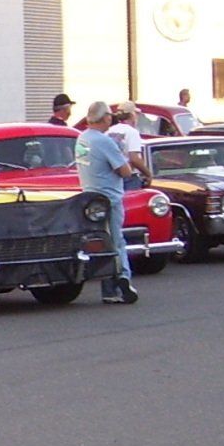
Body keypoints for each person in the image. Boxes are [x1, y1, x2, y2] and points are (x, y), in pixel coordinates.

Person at [74, 101, 138, 304]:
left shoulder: (82, 139)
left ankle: (108, 289)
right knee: (116, 241)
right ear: (106, 118)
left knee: (101, 242)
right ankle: (122, 278)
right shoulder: (104, 141)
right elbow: (125, 170)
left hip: (89, 198)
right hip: (109, 197)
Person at [105, 101, 151, 186]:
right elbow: (134, 158)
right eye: (136, 114)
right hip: (129, 177)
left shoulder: (108, 131)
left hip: (112, 176)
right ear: (132, 115)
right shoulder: (132, 132)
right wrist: (148, 174)